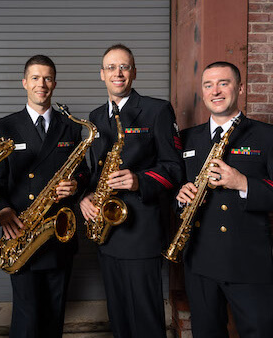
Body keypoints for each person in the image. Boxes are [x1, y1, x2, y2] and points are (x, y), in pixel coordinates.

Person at [175, 61, 273, 337]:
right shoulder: (187, 139)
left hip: (248, 264)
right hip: (200, 264)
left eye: (223, 83)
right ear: (202, 92)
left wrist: (243, 183)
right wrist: (179, 197)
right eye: (208, 85)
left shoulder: (270, 136)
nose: (216, 91)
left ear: (240, 88)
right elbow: (173, 189)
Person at [79, 44, 184, 338]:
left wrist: (140, 180)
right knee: (120, 315)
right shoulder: (96, 116)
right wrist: (85, 197)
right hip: (107, 231)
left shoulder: (157, 109)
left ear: (134, 72)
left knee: (146, 318)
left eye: (124, 67)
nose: (118, 73)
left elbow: (174, 168)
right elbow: (93, 173)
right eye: (111, 68)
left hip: (141, 230)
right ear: (102, 75)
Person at [0, 55, 89, 338]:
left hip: (59, 233)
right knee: (27, 316)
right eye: (35, 78)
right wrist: (3, 210)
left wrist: (75, 185)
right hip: (21, 232)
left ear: (54, 83)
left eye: (47, 78)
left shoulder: (70, 126)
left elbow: (84, 172)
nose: (41, 84)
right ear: (24, 83)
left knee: (54, 314)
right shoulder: (5, 126)